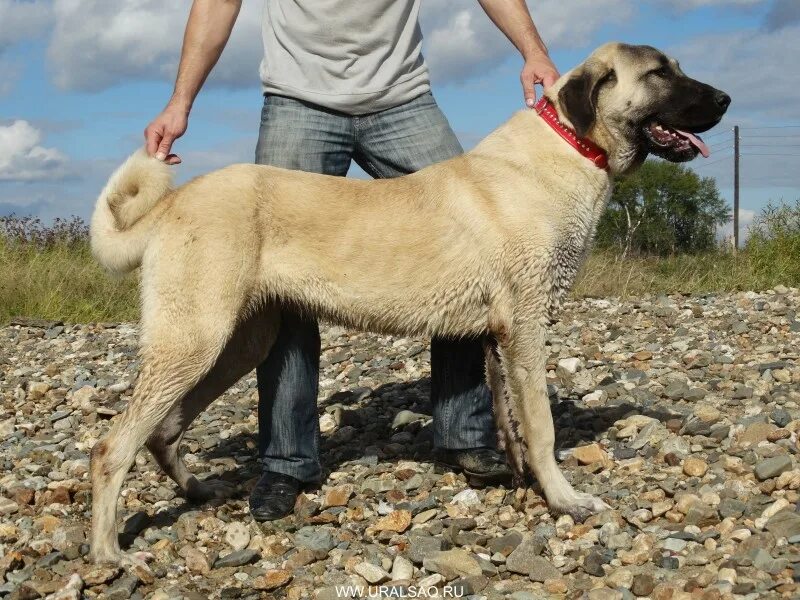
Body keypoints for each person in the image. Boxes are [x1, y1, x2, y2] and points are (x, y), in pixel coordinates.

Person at [144, 0, 560, 521]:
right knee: (281, 285)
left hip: (403, 100)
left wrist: (533, 51)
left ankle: (463, 436)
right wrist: (180, 102)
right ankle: (287, 461)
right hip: (299, 102)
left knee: (468, 252)